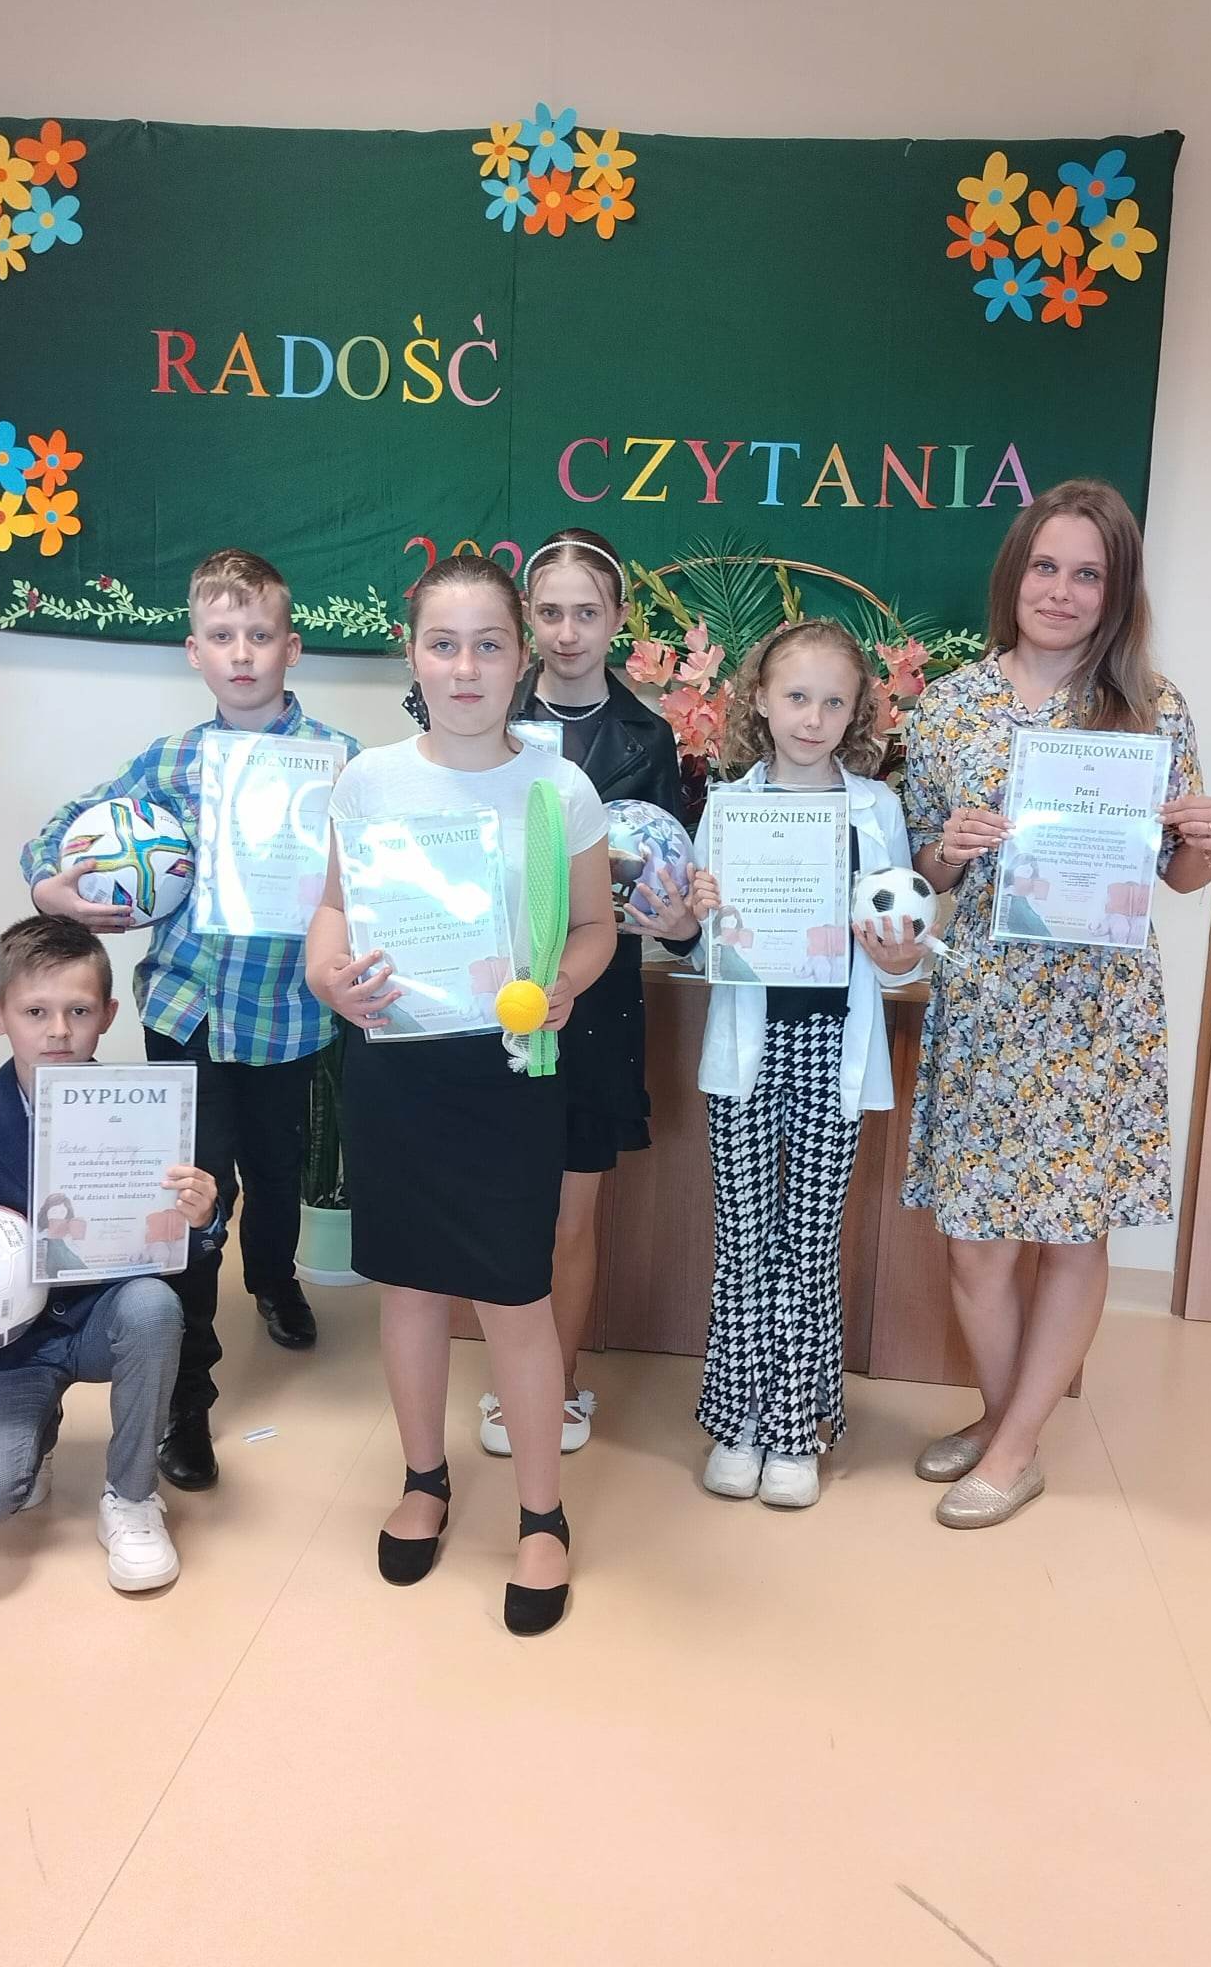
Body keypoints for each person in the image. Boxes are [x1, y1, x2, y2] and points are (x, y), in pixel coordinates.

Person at [903, 479, 1211, 1527]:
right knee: (975, 1240)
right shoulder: (951, 703)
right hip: (987, 1001)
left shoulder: (1151, 707)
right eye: (1045, 566)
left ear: (1115, 590)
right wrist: (946, 850)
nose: (1061, 590)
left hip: (1097, 1009)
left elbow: (1178, 874)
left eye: (1087, 574)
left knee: (1071, 1231)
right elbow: (919, 872)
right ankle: (1012, 1422)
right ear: (1015, 574)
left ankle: (1010, 1446)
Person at [306, 554, 616, 1635]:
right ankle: (424, 1479)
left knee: (515, 1296)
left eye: (489, 644)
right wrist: (327, 974)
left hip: (508, 1071)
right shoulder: (369, 781)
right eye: (444, 644)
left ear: (522, 656)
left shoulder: (558, 789)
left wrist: (565, 984)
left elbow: (595, 926)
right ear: (413, 655)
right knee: (408, 1288)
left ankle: (541, 1515)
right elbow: (334, 909)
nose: (467, 666)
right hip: (396, 1064)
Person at [21, 549, 359, 1493]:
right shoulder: (169, 762)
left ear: (292, 647)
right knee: (193, 1199)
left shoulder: (338, 762)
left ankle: (276, 1279)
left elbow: (376, 872)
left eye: (260, 635)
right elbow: (59, 830)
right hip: (188, 1013)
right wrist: (52, 887)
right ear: (194, 652)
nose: (242, 653)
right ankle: (187, 1396)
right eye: (221, 636)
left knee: (278, 1171)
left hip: (289, 1014)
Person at [676, 621, 927, 1508]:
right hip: (746, 1051)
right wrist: (700, 909)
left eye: (833, 702)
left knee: (809, 1244)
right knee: (743, 1238)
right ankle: (736, 1424)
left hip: (833, 1044)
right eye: (795, 697)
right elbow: (700, 940)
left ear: (858, 713)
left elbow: (903, 947)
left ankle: (794, 1430)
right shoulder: (729, 806)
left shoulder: (877, 810)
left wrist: (897, 950)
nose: (812, 719)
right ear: (759, 700)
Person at [0, 916, 220, 1591]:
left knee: (153, 1305)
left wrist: (203, 1217)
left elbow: (184, 1251)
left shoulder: (151, 1111)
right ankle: (35, 1432)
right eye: (35, 1012)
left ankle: (131, 1498)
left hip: (108, 1315)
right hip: (12, 1333)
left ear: (107, 1015)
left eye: (78, 1011)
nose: (58, 1031)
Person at [476, 527, 688, 1458]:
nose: (567, 633)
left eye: (587, 614)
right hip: (490, 993)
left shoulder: (649, 736)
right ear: (528, 617)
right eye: (551, 613)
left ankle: (558, 1385)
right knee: (503, 1203)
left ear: (617, 620)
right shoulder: (485, 713)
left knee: (572, 1211)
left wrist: (678, 915)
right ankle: (509, 1379)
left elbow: (666, 880)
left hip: (596, 1004)